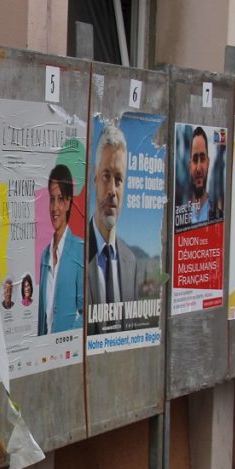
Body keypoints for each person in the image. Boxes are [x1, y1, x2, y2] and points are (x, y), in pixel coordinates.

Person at [86, 123, 142, 325]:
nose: (112, 190)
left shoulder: (131, 261)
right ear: (95, 178)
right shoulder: (76, 255)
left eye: (118, 179)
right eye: (106, 176)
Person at [37, 165, 84, 335]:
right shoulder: (45, 255)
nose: (55, 207)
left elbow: (85, 312)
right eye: (52, 199)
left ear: (69, 203)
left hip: (67, 352)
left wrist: (65, 339)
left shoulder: (80, 249)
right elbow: (43, 316)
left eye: (60, 199)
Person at [187, 127, 212, 224]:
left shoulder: (219, 216)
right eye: (194, 159)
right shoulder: (179, 217)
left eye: (202, 159)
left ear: (208, 163)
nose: (198, 168)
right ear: (190, 166)